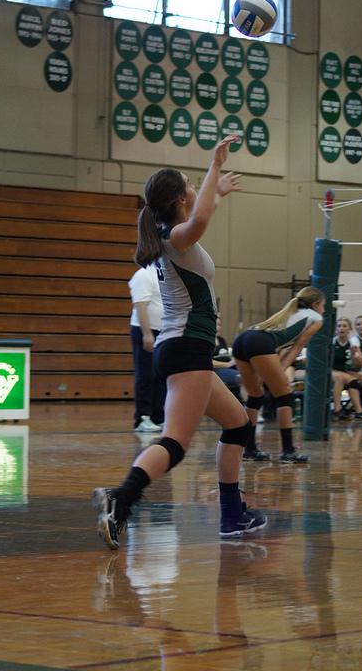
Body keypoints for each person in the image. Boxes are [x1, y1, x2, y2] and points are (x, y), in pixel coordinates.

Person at [92, 136, 267, 548]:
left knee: (238, 425)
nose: (195, 188)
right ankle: (121, 497)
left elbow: (201, 213)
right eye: (189, 183)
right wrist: (215, 166)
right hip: (186, 347)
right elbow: (200, 220)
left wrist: (215, 190)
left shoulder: (170, 236)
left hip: (187, 349)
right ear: (178, 199)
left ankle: (232, 515)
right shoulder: (176, 238)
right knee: (175, 441)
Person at [232, 286, 324, 463]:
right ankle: (288, 451)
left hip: (243, 339)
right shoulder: (316, 318)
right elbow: (297, 347)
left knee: (255, 396)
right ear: (316, 304)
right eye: (324, 305)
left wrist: (275, 371)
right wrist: (281, 372)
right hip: (260, 343)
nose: (324, 310)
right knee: (284, 396)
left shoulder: (289, 312)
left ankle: (249, 449)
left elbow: (280, 345)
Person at [128, 264, 165, 432]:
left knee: (160, 375)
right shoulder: (143, 275)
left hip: (162, 331)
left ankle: (158, 417)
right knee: (146, 374)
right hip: (146, 331)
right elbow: (141, 305)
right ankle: (142, 418)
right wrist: (147, 334)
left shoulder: (162, 276)